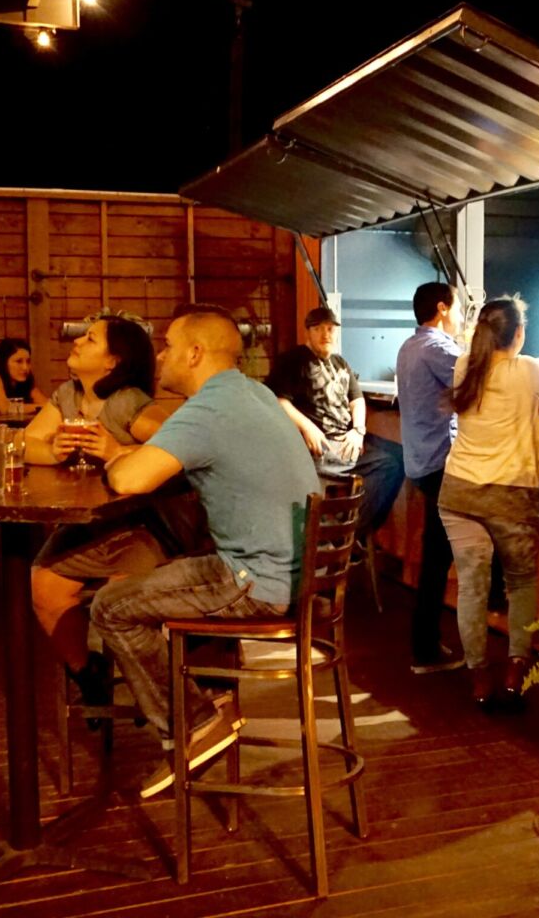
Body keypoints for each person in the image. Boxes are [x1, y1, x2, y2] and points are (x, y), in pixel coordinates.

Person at [91, 304, 321, 797]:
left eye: (169, 345)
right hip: (297, 576)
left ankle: (196, 725)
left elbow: (131, 479)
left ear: (195, 353)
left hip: (255, 581)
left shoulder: (210, 409)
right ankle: (216, 703)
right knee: (172, 572)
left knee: (111, 606)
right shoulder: (251, 394)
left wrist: (112, 459)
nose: (161, 355)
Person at [438, 296, 539, 708]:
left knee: (472, 586)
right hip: (510, 494)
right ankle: (517, 667)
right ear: (518, 333)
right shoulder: (530, 370)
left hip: (459, 491)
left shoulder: (466, 365)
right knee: (519, 583)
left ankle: (479, 676)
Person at [27, 317, 172, 708]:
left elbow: (176, 445)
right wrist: (52, 450)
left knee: (120, 600)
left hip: (140, 527)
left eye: (90, 339)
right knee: (44, 584)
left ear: (112, 362)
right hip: (88, 524)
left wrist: (116, 452)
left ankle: (153, 690)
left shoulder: (126, 402)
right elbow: (28, 444)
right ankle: (87, 672)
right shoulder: (68, 396)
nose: (77, 342)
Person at [265, 306, 403, 536]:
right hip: (319, 447)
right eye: (318, 329)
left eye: (330, 329)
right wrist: (308, 427)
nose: (325, 334)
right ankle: (345, 535)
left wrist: (358, 430)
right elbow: (279, 400)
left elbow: (357, 399)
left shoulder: (341, 363)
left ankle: (349, 530)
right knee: (388, 464)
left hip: (347, 441)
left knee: (397, 459)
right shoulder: (294, 360)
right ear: (307, 332)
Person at [395, 282, 465, 674]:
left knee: (438, 554)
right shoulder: (438, 348)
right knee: (440, 557)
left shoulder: (408, 346)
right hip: (440, 462)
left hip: (420, 461)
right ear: (442, 309)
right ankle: (424, 649)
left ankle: (427, 643)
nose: (459, 317)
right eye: (457, 308)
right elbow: (479, 378)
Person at [0, 337, 47, 416]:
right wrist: (40, 407)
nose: (25, 367)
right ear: (4, 362)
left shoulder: (25, 382)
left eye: (28, 361)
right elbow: (6, 408)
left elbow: (50, 406)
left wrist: (46, 407)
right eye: (19, 361)